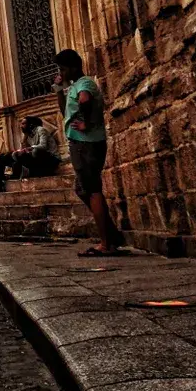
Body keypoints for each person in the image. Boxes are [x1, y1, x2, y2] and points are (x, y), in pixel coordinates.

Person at [54, 49, 125, 256]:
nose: (62, 73)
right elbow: (65, 113)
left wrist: (87, 122)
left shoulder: (84, 83)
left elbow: (85, 100)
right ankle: (111, 235)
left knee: (92, 190)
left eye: (63, 69)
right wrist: (59, 89)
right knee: (82, 189)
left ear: (74, 67)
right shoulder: (75, 86)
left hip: (86, 143)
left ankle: (106, 243)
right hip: (82, 143)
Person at [0, 117, 61, 193]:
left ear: (31, 125)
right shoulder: (27, 135)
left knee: (33, 153)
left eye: (23, 124)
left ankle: (19, 174)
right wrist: (21, 147)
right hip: (35, 158)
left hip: (50, 159)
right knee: (3, 157)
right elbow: (21, 149)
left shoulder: (41, 130)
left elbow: (43, 146)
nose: (21, 126)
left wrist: (28, 149)